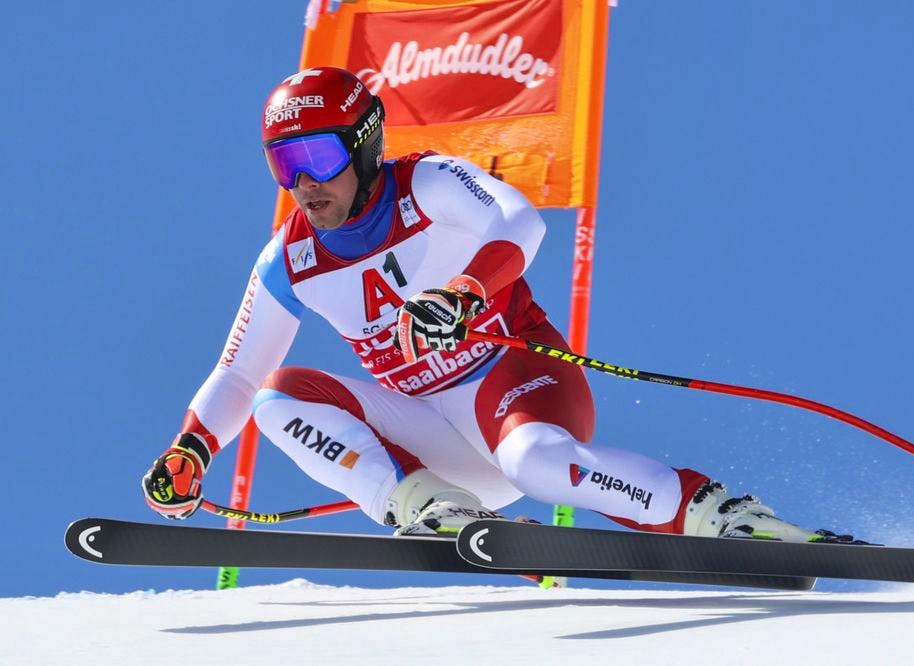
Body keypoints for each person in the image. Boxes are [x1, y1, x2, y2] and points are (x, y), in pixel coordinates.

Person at [142, 66, 850, 544]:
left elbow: (520, 222)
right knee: (275, 399)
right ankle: (427, 508)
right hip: (433, 437)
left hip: (515, 385)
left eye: (317, 160)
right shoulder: (289, 257)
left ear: (363, 146)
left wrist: (464, 291)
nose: (303, 186)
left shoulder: (429, 182)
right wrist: (192, 449)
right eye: (283, 167)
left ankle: (723, 518)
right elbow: (236, 375)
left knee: (537, 466)